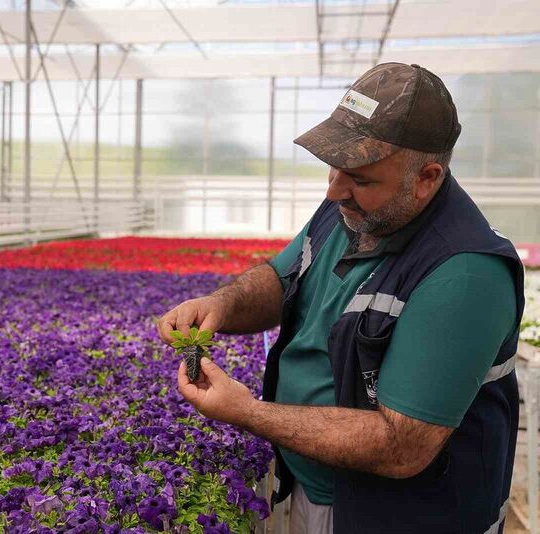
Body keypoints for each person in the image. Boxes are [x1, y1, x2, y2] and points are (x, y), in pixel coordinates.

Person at [157, 63, 525, 534]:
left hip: (404, 518)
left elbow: (401, 447)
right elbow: (281, 276)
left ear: (427, 177)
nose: (333, 189)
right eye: (334, 165)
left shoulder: (464, 274)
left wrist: (246, 412)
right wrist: (222, 306)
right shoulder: (353, 206)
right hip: (321, 487)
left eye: (361, 177)